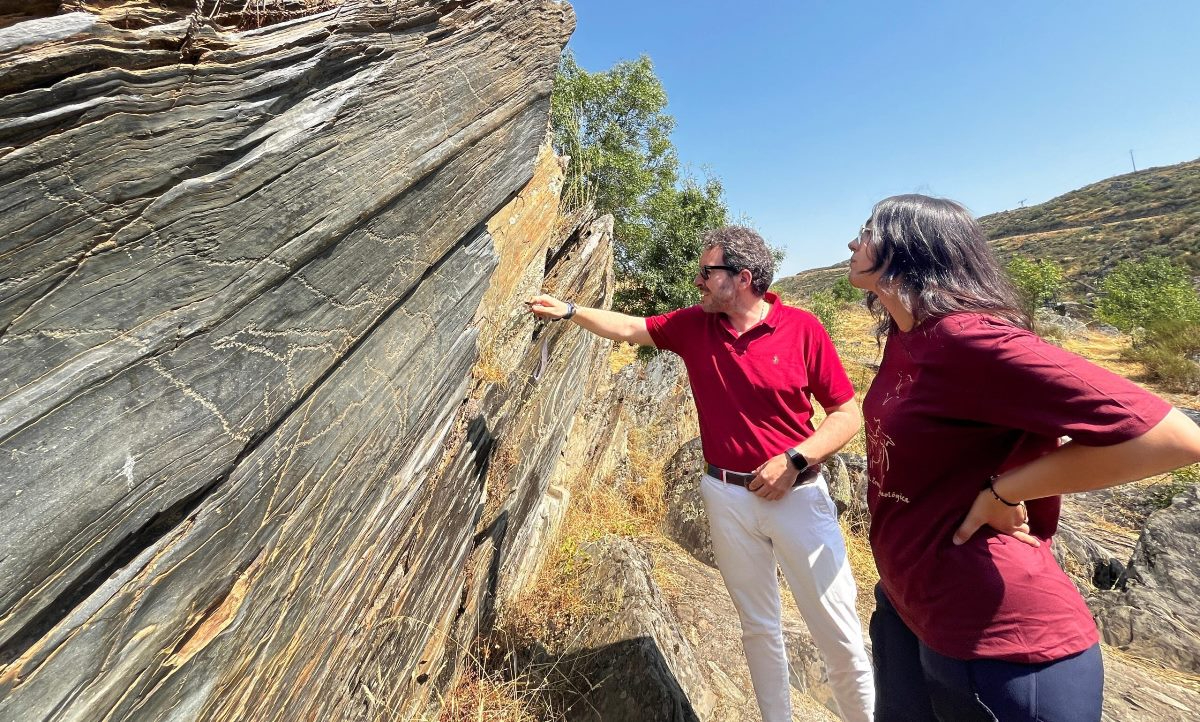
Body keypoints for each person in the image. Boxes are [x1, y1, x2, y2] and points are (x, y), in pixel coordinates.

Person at [846, 194, 1200, 722]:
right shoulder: (905, 338)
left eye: (870, 230)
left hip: (1004, 646)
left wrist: (1005, 491)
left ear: (913, 248)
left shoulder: (970, 340)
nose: (854, 241)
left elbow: (1174, 437)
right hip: (910, 610)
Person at [528, 226, 875, 722]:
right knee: (759, 627)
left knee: (837, 629)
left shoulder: (802, 329)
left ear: (743, 278)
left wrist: (794, 459)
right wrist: (568, 311)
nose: (697, 281)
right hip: (726, 496)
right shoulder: (695, 325)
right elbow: (631, 328)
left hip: (799, 496)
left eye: (707, 272)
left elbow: (846, 412)